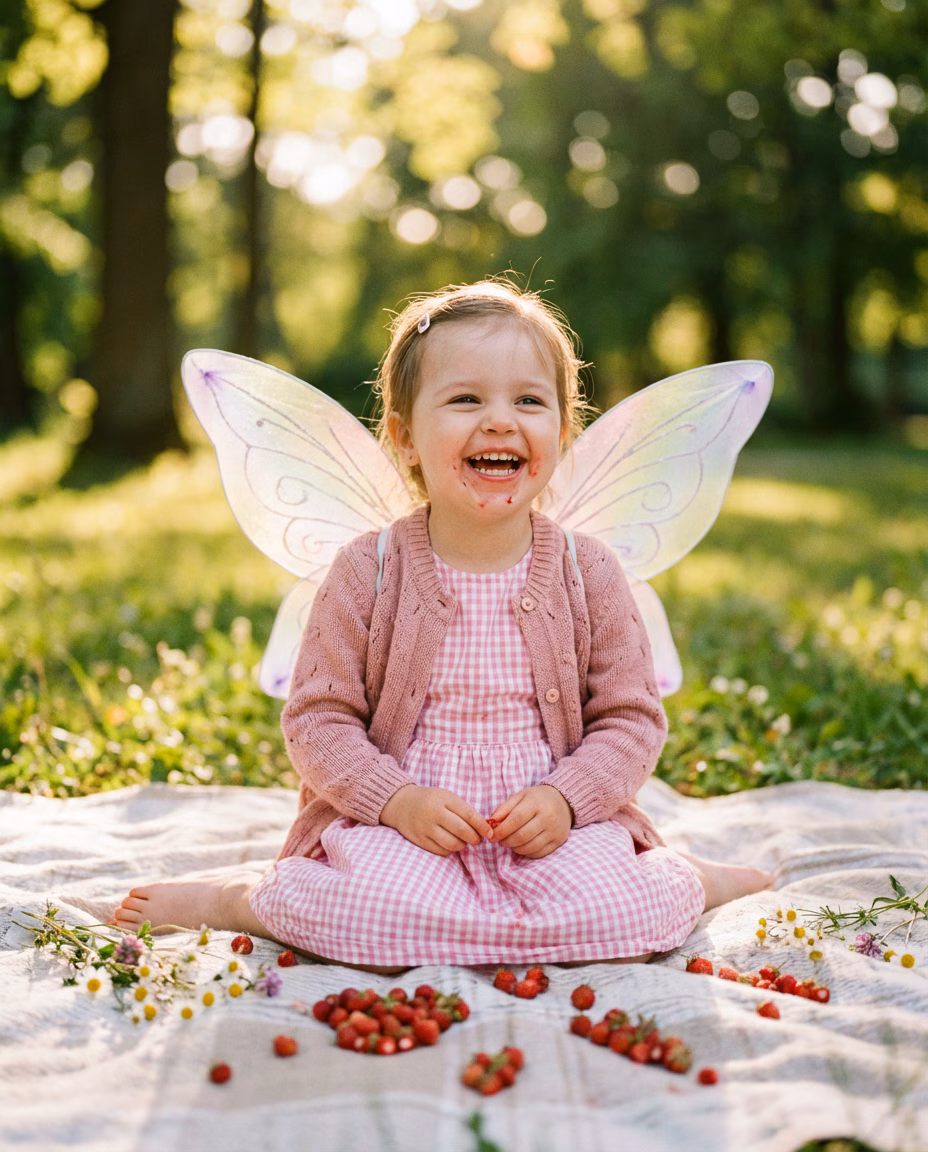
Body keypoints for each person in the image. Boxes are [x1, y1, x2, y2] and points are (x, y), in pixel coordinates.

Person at [112, 280, 772, 971]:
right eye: (465, 399)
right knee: (367, 911)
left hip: (549, 823)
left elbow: (631, 720)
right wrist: (395, 800)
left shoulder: (589, 571)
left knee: (630, 907)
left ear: (561, 432)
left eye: (528, 401)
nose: (498, 421)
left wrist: (568, 799)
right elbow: (318, 720)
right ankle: (243, 900)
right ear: (405, 437)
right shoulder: (366, 569)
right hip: (405, 822)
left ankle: (693, 880)